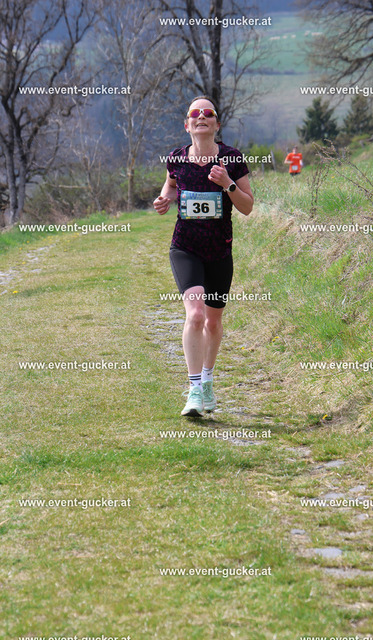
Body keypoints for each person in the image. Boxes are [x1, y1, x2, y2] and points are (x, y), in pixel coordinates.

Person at [153, 95, 254, 416]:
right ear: (187, 125)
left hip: (219, 250)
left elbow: (247, 206)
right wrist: (164, 199)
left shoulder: (232, 159)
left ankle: (208, 380)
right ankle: (194, 389)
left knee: (213, 320)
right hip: (185, 247)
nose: (201, 117)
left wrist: (228, 184)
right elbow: (171, 186)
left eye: (208, 113)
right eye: (195, 113)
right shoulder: (176, 158)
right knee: (195, 315)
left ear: (216, 124)